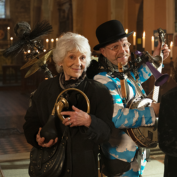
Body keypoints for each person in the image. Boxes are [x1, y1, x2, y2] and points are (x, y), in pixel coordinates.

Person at [23, 32, 113, 177]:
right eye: (72, 57)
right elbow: (30, 123)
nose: (78, 63)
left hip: (83, 167)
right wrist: (36, 136)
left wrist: (89, 121)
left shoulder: (99, 91)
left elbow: (106, 134)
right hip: (51, 166)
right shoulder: (45, 89)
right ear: (60, 60)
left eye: (82, 58)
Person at [93, 20, 170, 177]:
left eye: (125, 44)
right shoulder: (102, 81)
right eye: (115, 47)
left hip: (136, 155)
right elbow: (118, 118)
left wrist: (157, 58)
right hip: (120, 158)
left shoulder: (123, 73)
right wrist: (152, 112)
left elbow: (135, 79)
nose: (123, 50)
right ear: (103, 51)